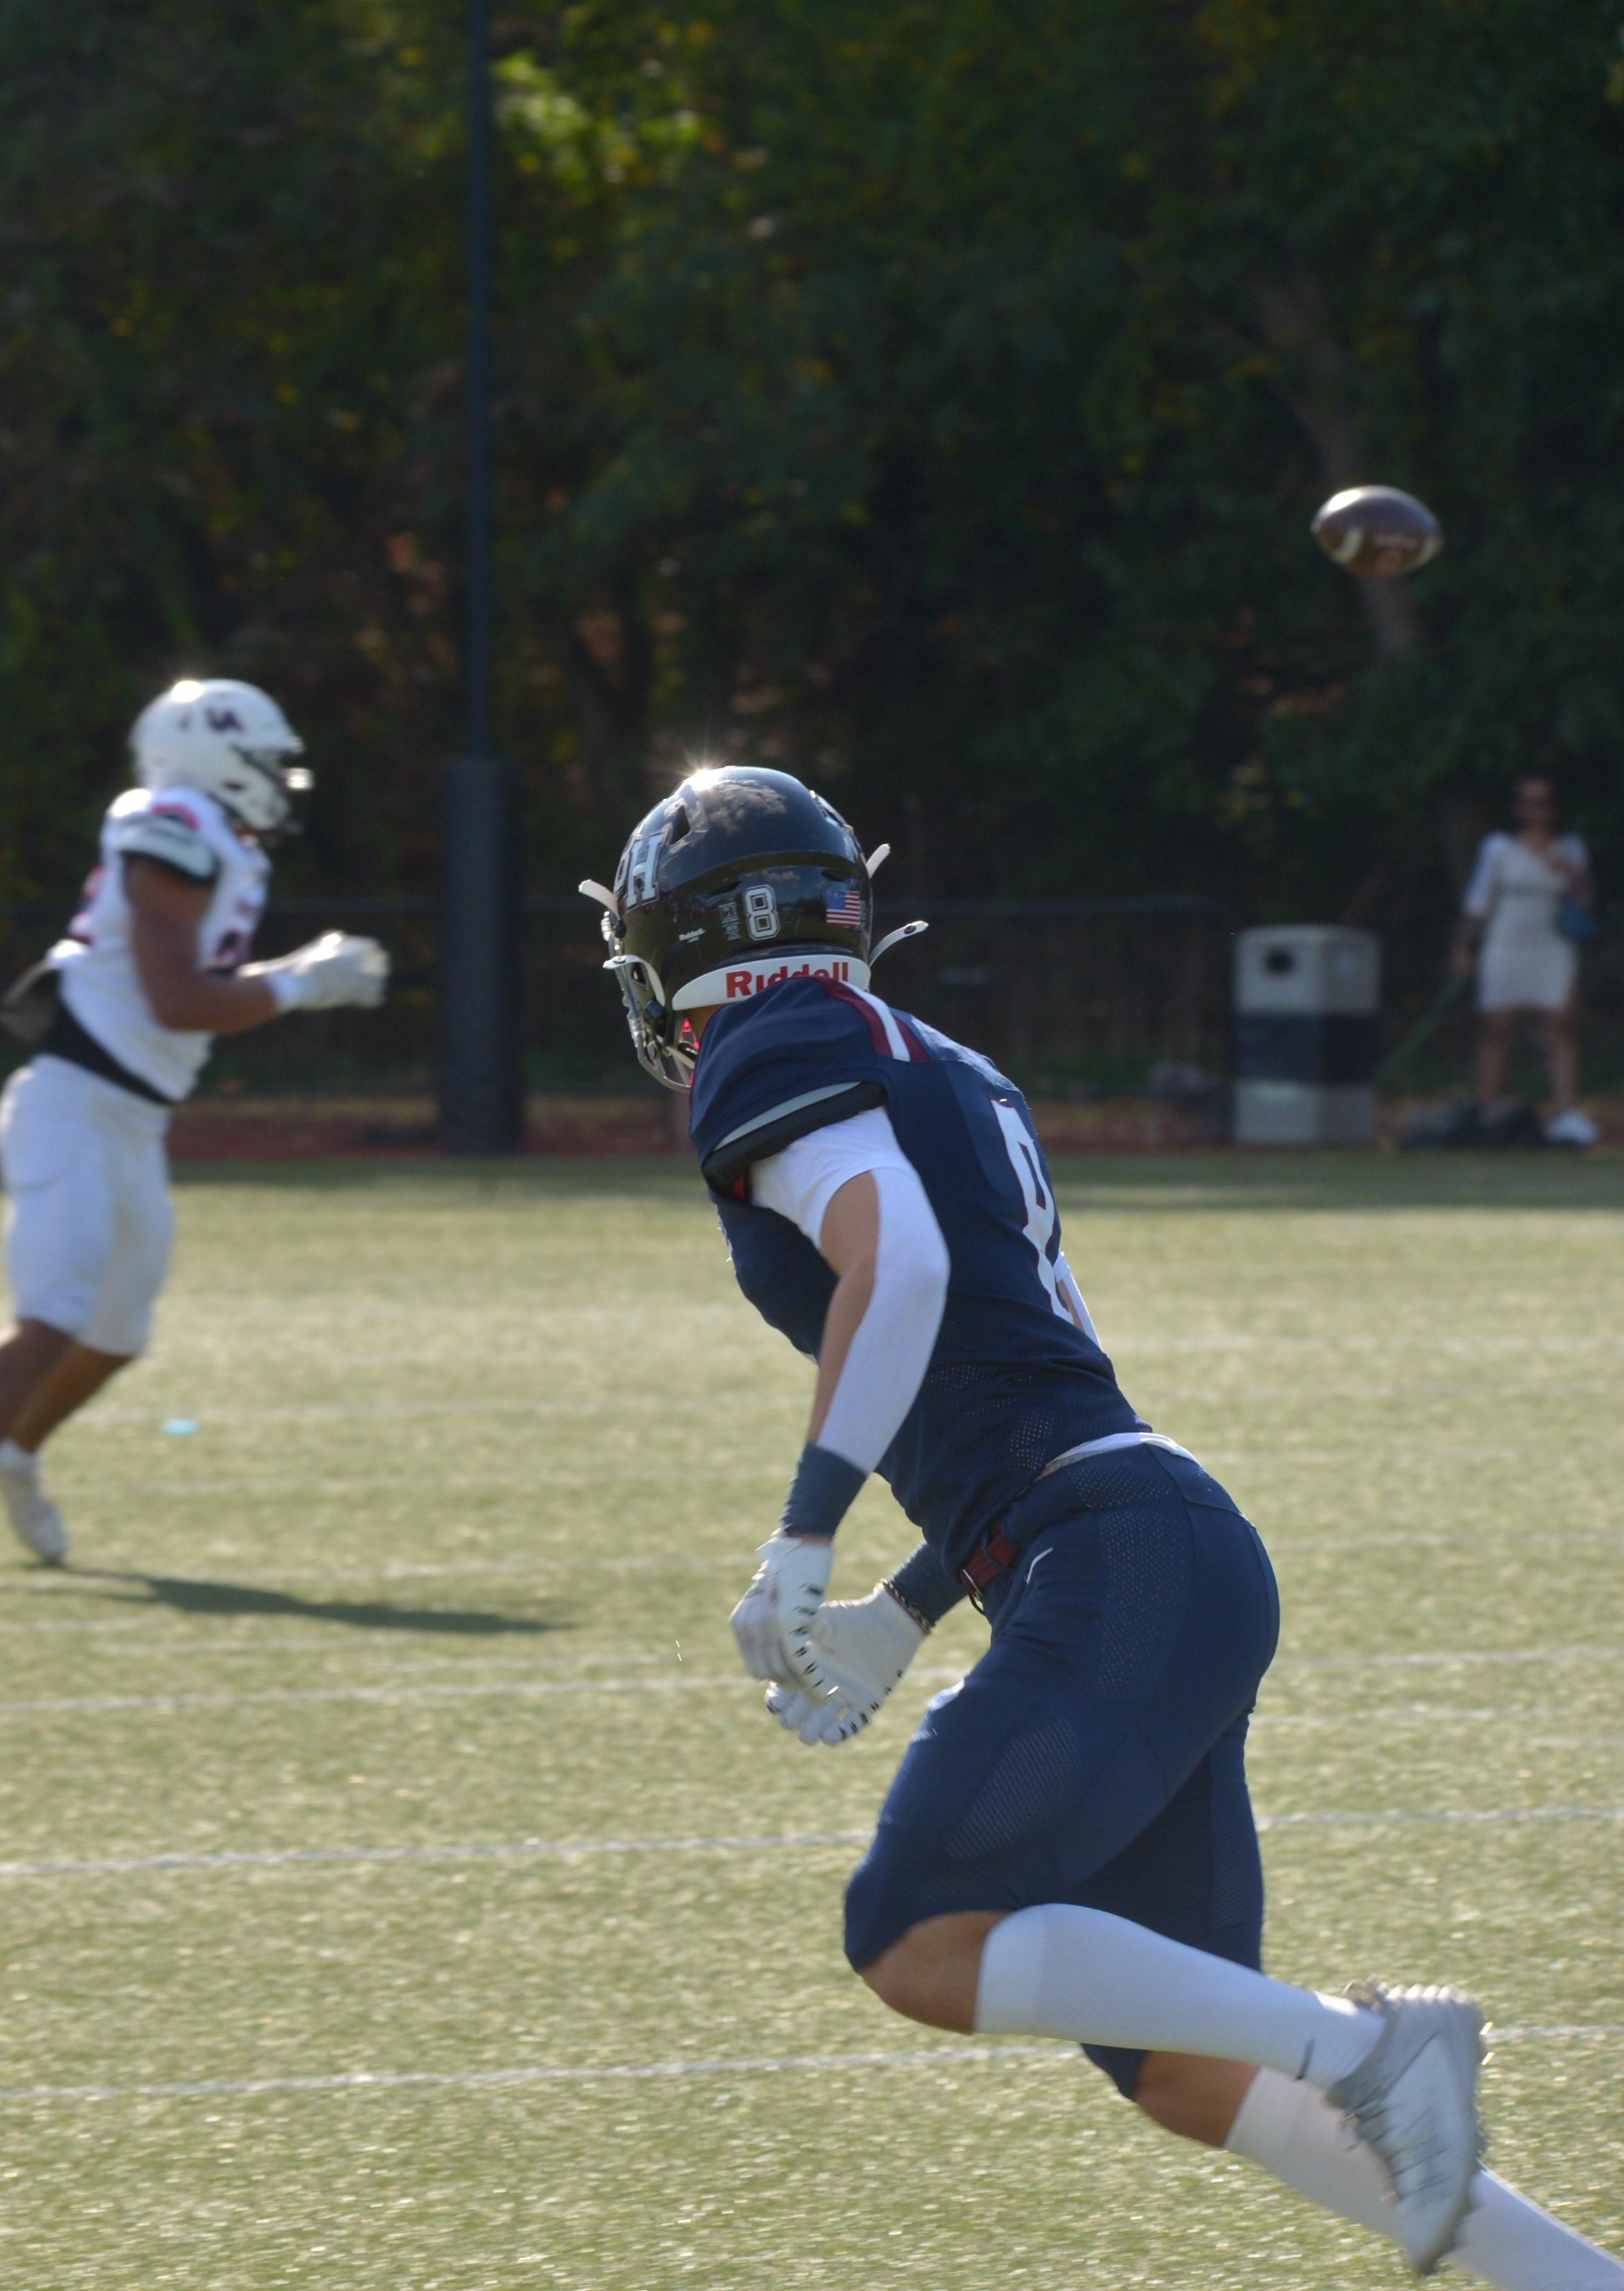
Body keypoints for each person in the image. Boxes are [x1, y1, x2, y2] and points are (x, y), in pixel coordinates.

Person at [589, 763, 1620, 2288]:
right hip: (1148, 1538)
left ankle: (1367, 2045)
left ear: (690, 940)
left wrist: (803, 1534)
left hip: (1111, 1553)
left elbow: (903, 1268)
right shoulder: (944, 1063)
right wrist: (905, 1603)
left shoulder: (768, 1039)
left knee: (916, 1932)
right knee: (1181, 2066)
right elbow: (1032, 1367)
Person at [0, 679, 388, 1587]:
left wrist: (296, 977)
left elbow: (186, 986)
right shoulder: (171, 823)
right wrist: (301, 984)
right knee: (50, 1320)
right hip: (72, 1102)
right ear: (214, 757)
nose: (279, 781)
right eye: (266, 763)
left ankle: (15, 1453)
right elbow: (175, 998)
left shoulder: (216, 839)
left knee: (114, 1334)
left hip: (132, 1117)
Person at [1452, 776, 1595, 1146]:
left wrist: (1573, 875)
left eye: (1545, 802)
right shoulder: (1499, 847)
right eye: (1530, 803)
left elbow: (1585, 902)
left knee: (1561, 1025)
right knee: (1497, 1027)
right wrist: (1465, 946)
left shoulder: (1569, 847)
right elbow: (1480, 900)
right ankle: (1484, 1109)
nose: (1538, 810)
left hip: (1551, 943)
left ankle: (1566, 1113)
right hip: (1506, 941)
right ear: (1518, 808)